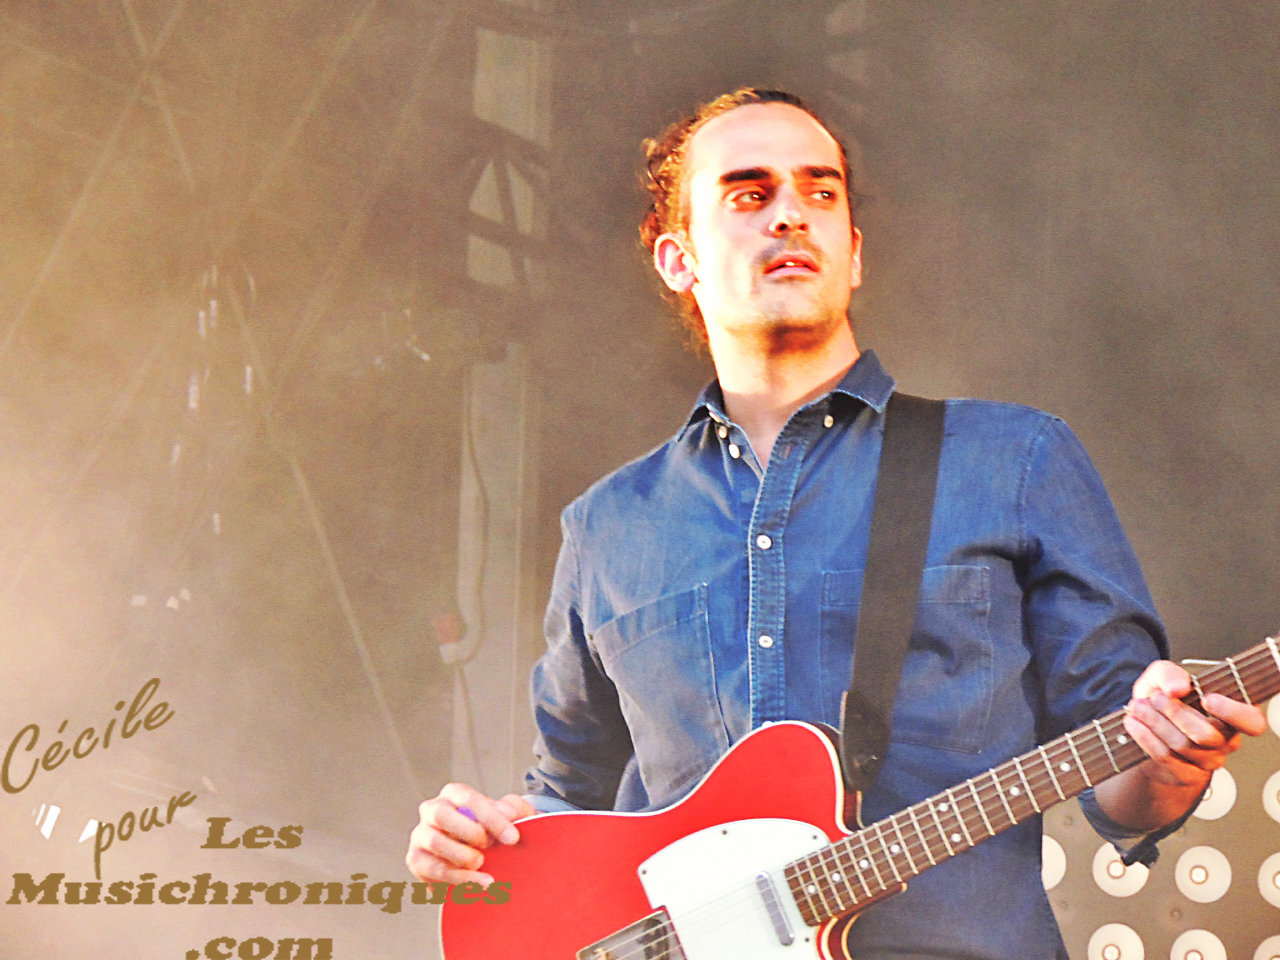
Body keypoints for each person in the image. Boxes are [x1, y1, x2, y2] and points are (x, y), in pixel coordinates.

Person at [406, 88, 1267, 957]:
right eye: (749, 193)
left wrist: (1168, 759)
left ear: (852, 253)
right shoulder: (607, 527)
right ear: (678, 258)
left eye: (821, 192)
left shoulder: (1014, 459)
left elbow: (1123, 777)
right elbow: (567, 799)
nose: (791, 214)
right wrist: (485, 847)